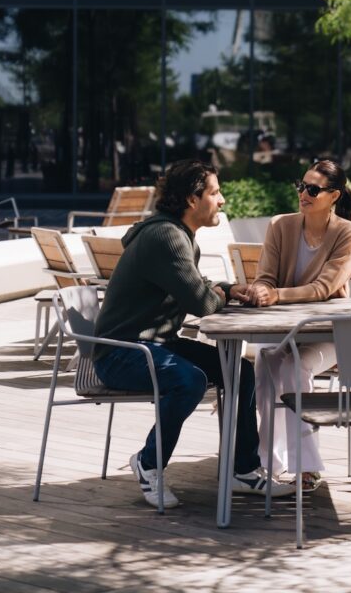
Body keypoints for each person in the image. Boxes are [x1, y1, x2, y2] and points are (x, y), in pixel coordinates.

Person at [93, 160, 295, 508]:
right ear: (191, 199)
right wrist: (219, 295)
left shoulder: (177, 235)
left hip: (154, 344)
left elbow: (198, 287)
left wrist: (229, 290)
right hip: (121, 352)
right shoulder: (167, 237)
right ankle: (148, 463)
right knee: (188, 381)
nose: (222, 200)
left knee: (240, 372)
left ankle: (242, 470)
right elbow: (202, 303)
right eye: (215, 193)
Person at [249, 159, 351, 490]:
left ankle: (304, 466)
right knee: (266, 364)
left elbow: (324, 289)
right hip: (282, 331)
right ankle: (267, 461)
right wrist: (260, 289)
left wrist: (276, 295)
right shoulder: (280, 225)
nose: (304, 194)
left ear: (334, 196)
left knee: (291, 369)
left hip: (329, 334)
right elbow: (265, 277)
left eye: (313, 189)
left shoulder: (348, 233)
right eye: (301, 186)